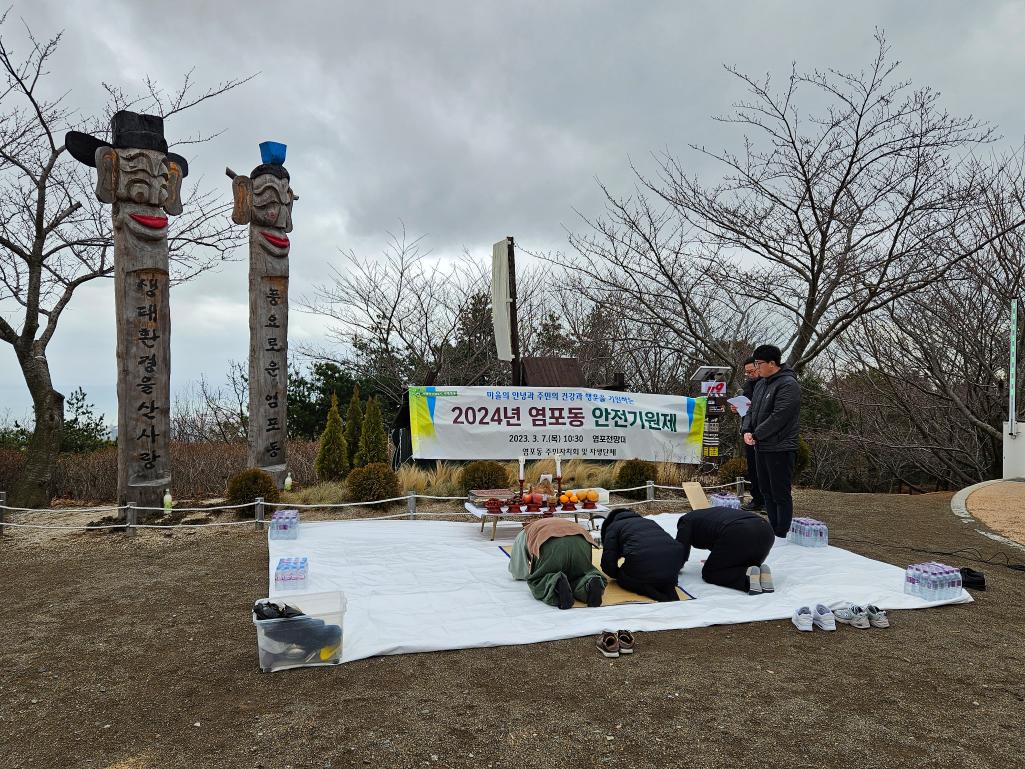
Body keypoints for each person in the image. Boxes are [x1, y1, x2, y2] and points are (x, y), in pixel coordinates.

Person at [744, 344, 801, 538]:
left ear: (772, 363)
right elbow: (751, 410)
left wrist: (757, 434)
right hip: (761, 445)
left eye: (758, 364)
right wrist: (747, 430)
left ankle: (781, 531)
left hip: (780, 446)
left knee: (780, 492)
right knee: (765, 489)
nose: (756, 368)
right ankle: (772, 527)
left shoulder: (788, 384)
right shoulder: (761, 384)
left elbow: (779, 416)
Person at [508, 517, 607, 609]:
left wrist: (533, 571)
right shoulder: (560, 520)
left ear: (526, 524)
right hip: (581, 540)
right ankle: (590, 582)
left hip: (551, 544)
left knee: (540, 580)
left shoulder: (525, 531)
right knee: (580, 574)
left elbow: (518, 571)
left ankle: (556, 583)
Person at [675, 506, 775, 594]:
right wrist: (718, 560)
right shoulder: (711, 514)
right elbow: (722, 544)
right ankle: (762, 575)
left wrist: (672, 569)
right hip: (766, 530)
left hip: (738, 531)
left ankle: (746, 577)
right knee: (744, 563)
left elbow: (680, 551)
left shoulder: (686, 521)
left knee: (711, 572)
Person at [600, 508, 685, 602]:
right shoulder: (649, 521)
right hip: (673, 566)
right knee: (659, 575)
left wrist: (617, 574)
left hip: (645, 564)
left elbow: (608, 562)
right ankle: (666, 587)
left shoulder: (613, 526)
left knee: (626, 578)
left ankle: (652, 592)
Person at [733, 356, 764, 512]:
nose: (749, 374)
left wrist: (754, 406)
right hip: (748, 429)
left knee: (765, 468)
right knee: (752, 467)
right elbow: (745, 409)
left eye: (751, 371)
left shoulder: (766, 384)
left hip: (764, 430)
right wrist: (736, 408)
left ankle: (767, 501)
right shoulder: (747, 386)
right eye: (747, 372)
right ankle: (756, 499)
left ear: (758, 367)